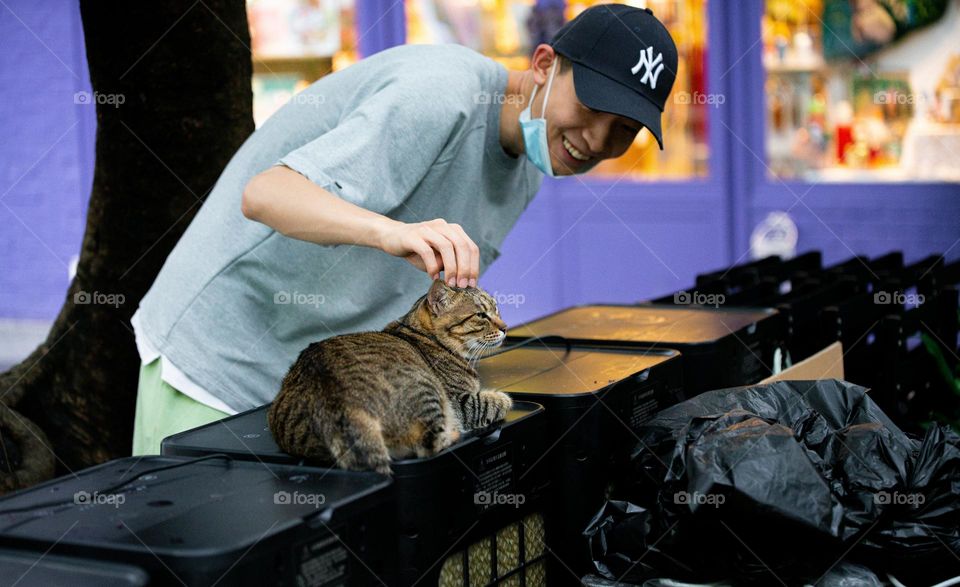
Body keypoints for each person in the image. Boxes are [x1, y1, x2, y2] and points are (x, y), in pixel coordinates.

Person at [130, 4, 679, 454]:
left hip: (331, 391)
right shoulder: (438, 94)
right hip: (220, 365)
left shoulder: (531, 170)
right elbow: (266, 193)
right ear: (542, 64)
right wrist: (389, 231)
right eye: (590, 105)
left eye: (624, 130)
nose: (597, 140)